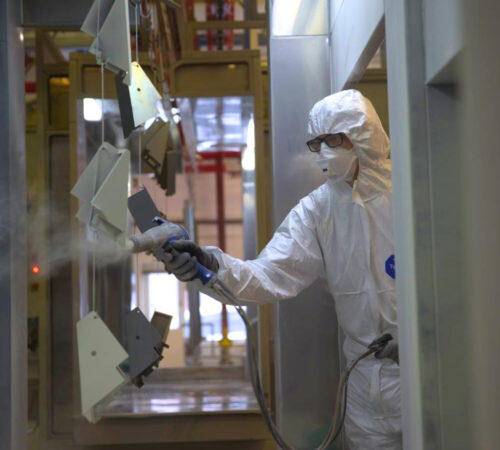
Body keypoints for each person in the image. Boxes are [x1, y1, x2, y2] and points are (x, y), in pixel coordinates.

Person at [164, 89, 401, 450]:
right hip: (365, 385)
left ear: (362, 136)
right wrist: (210, 265)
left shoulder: (413, 192)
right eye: (317, 143)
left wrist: (425, 341)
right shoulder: (318, 210)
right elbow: (271, 274)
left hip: (427, 370)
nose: (324, 153)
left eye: (333, 140)